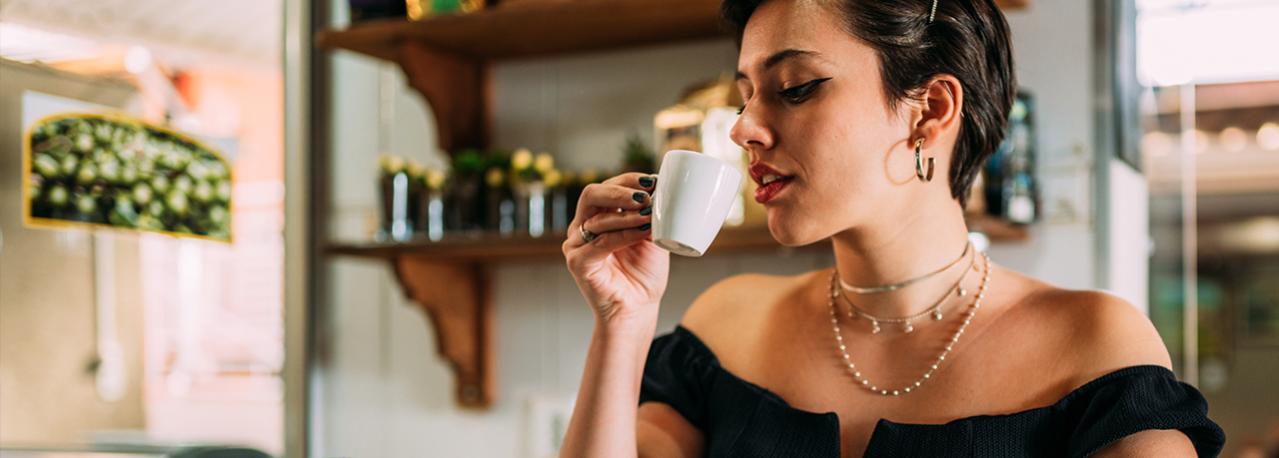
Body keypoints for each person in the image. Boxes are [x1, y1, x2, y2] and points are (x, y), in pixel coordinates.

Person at [557, 0, 1225, 456]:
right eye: (744, 95)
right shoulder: (722, 327)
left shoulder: (1091, 346)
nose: (742, 128)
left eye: (794, 87)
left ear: (929, 110)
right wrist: (623, 322)